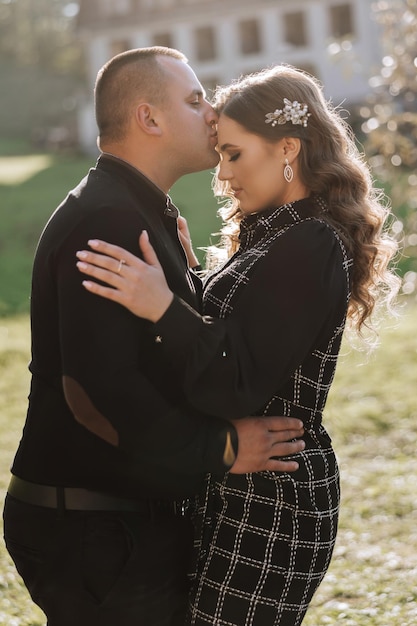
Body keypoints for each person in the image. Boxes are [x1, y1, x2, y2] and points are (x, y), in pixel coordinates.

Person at [75, 64, 400, 625]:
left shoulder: (311, 242)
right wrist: (191, 279)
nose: (223, 177)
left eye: (233, 154)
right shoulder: (278, 232)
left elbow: (236, 382)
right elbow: (243, 332)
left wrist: (162, 305)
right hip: (240, 486)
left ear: (287, 149)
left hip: (274, 498)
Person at [2, 48, 306, 626]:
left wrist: (188, 281)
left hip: (115, 520)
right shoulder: (107, 222)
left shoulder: (138, 212)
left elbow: (154, 351)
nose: (213, 113)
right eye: (195, 100)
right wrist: (220, 449)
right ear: (149, 119)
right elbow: (95, 391)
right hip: (96, 529)